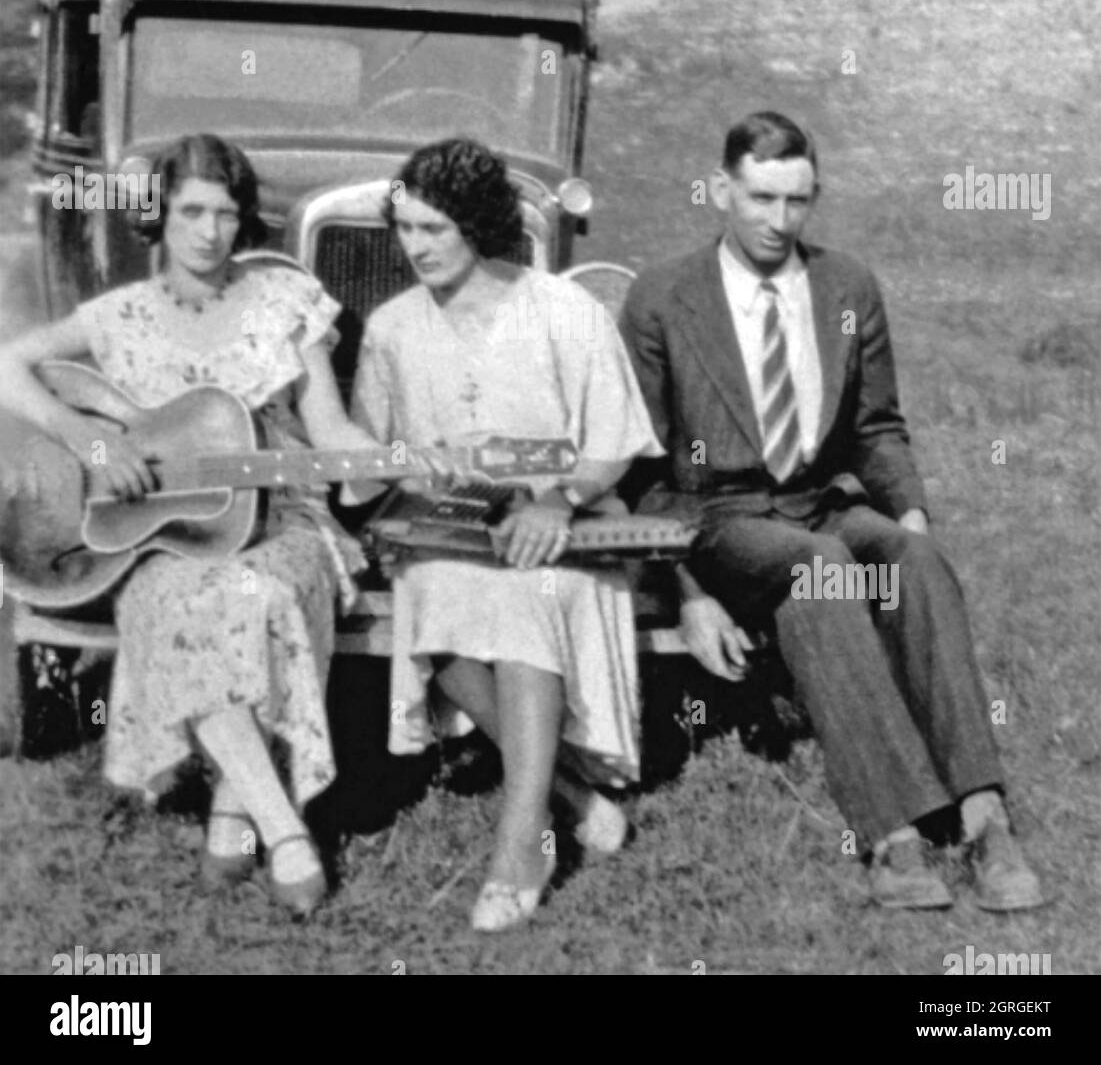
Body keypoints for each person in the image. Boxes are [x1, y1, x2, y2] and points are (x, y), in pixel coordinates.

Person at [619, 111, 1044, 912]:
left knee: (907, 559)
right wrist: (686, 592)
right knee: (821, 570)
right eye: (760, 199)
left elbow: (876, 428)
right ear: (721, 190)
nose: (779, 222)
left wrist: (908, 515)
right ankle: (894, 834)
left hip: (818, 504)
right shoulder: (663, 297)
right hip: (722, 520)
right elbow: (641, 470)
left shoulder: (845, 287)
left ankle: (985, 819)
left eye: (797, 201)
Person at [0, 134, 378, 918]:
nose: (210, 232)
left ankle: (233, 809)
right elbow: (7, 361)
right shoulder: (121, 315)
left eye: (227, 214)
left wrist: (393, 461)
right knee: (176, 603)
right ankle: (285, 830)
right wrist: (89, 440)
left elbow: (331, 429)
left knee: (253, 595)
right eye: (192, 212)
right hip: (165, 535)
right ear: (160, 217)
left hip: (285, 520)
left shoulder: (285, 305)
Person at [350, 138, 663, 931]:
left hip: (569, 519)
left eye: (434, 229)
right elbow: (365, 459)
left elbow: (612, 442)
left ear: (478, 225)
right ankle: (569, 791)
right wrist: (416, 474)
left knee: (531, 592)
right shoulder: (391, 329)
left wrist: (557, 500)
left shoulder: (562, 310)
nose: (415, 247)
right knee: (434, 592)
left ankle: (520, 845)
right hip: (448, 531)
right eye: (406, 229)